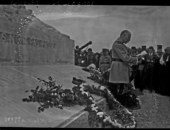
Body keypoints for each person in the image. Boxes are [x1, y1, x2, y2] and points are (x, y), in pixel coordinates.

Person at [108, 30, 142, 98]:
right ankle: (116, 101)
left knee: (121, 85)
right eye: (128, 37)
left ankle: (118, 100)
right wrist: (136, 59)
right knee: (117, 84)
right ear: (123, 35)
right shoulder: (118, 45)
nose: (129, 39)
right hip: (119, 67)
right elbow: (125, 58)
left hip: (121, 66)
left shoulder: (122, 45)